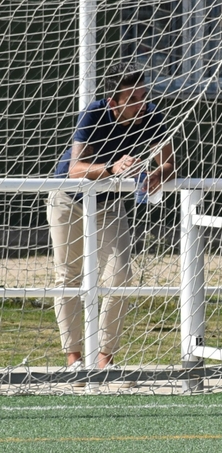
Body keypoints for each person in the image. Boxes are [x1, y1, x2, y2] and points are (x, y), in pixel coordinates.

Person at [49, 61, 174, 374]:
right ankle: (74, 359)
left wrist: (156, 173)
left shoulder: (151, 114)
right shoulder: (94, 112)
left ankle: (105, 358)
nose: (140, 104)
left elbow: (170, 163)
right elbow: (76, 168)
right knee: (68, 276)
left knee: (120, 274)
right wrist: (112, 168)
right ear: (113, 101)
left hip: (108, 204)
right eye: (131, 99)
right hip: (69, 199)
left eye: (143, 96)